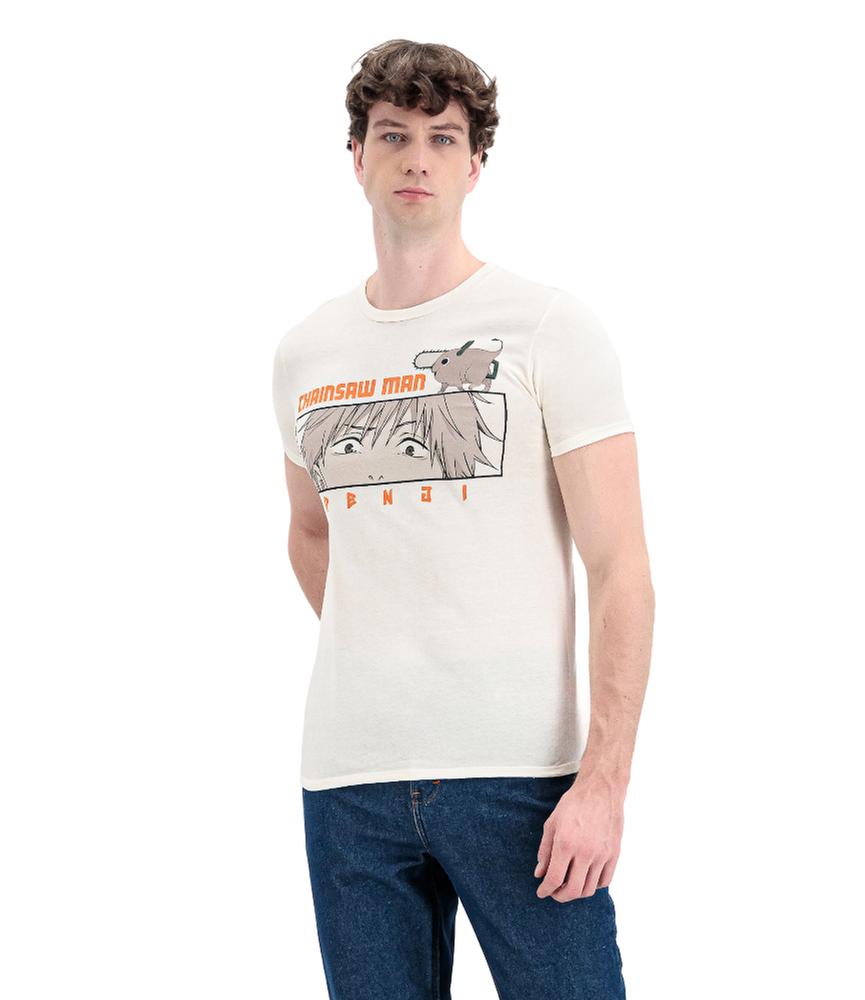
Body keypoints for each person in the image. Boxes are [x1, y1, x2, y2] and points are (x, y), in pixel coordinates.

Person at [271, 38, 655, 1000]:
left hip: (522, 777)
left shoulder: (548, 327)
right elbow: (310, 530)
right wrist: (388, 641)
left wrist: (604, 781)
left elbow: (621, 568)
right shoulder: (307, 352)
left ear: (475, 164)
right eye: (393, 135)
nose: (417, 159)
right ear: (356, 156)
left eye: (443, 138)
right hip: (350, 781)